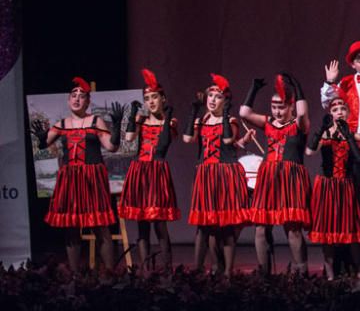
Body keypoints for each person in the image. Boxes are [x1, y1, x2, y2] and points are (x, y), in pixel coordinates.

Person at [33, 77, 123, 273]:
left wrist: (116, 128)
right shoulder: (62, 123)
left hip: (92, 178)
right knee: (72, 228)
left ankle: (108, 274)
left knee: (100, 227)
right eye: (73, 95)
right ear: (68, 100)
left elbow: (111, 147)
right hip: (71, 179)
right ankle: (75, 276)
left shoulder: (95, 120)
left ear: (88, 101)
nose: (77, 99)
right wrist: (40, 139)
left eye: (82, 96)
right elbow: (43, 144)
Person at [241, 73, 312, 274]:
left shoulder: (298, 126)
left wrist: (298, 89)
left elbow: (303, 114)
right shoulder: (268, 123)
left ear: (290, 106)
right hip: (269, 177)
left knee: (293, 230)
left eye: (282, 107)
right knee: (261, 228)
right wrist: (253, 89)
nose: (278, 111)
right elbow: (244, 113)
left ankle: (301, 272)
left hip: (291, 178)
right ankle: (264, 273)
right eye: (274, 107)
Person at [182, 73, 248, 276]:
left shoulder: (232, 120)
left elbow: (228, 141)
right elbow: (187, 139)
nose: (212, 99)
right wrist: (194, 112)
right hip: (205, 174)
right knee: (205, 226)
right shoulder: (202, 120)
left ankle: (227, 271)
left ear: (226, 100)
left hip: (225, 175)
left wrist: (226, 115)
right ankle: (205, 268)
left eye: (218, 96)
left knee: (226, 227)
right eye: (210, 95)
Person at [118, 68, 180, 272]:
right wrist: (134, 115)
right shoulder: (141, 121)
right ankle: (145, 271)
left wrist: (165, 119)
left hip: (158, 173)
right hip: (140, 172)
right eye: (147, 98)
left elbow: (162, 146)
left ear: (163, 98)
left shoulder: (170, 122)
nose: (151, 102)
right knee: (142, 226)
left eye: (154, 97)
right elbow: (128, 139)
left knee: (160, 226)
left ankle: (167, 270)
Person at [305, 98, 360, 279]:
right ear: (330, 113)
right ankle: (330, 275)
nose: (339, 112)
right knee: (327, 232)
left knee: (352, 231)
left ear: (348, 113)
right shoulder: (325, 134)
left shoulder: (354, 134)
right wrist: (320, 130)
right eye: (335, 109)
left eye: (342, 109)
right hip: (327, 186)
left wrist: (348, 136)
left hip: (346, 186)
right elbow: (309, 152)